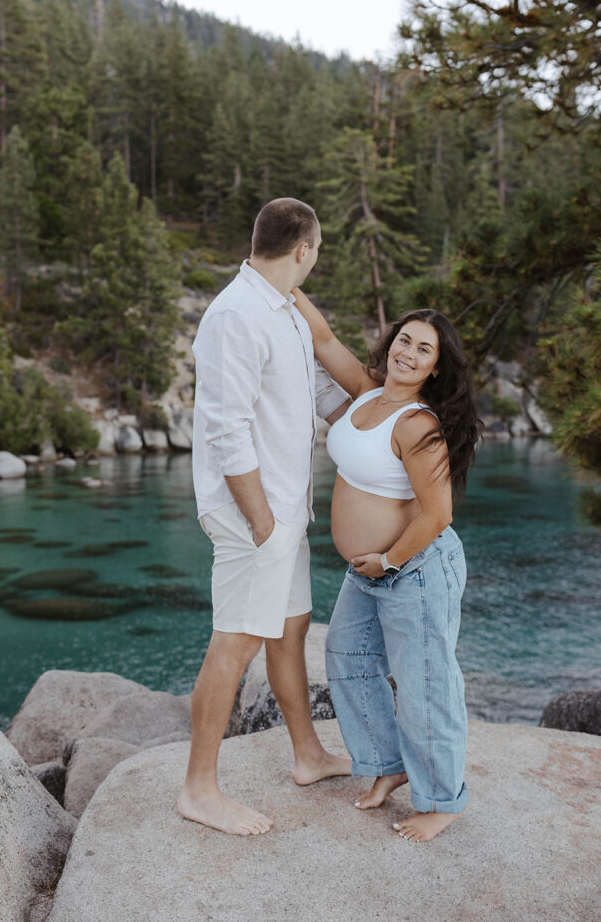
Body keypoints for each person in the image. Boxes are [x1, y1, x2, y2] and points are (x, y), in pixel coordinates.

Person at [177, 198, 352, 836]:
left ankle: (306, 755)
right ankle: (199, 788)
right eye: (319, 248)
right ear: (303, 249)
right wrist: (261, 521)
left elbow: (325, 395)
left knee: (291, 628)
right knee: (238, 640)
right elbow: (226, 432)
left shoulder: (287, 313)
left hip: (284, 507)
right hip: (255, 513)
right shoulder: (234, 315)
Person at [291, 287, 482, 843]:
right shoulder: (368, 395)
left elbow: (438, 513)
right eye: (405, 339)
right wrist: (284, 284)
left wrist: (390, 560)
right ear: (391, 342)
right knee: (346, 655)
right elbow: (324, 340)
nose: (409, 352)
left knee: (425, 684)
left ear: (435, 367)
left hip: (413, 568)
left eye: (424, 349)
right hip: (370, 570)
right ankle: (386, 764)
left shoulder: (419, 425)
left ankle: (441, 801)